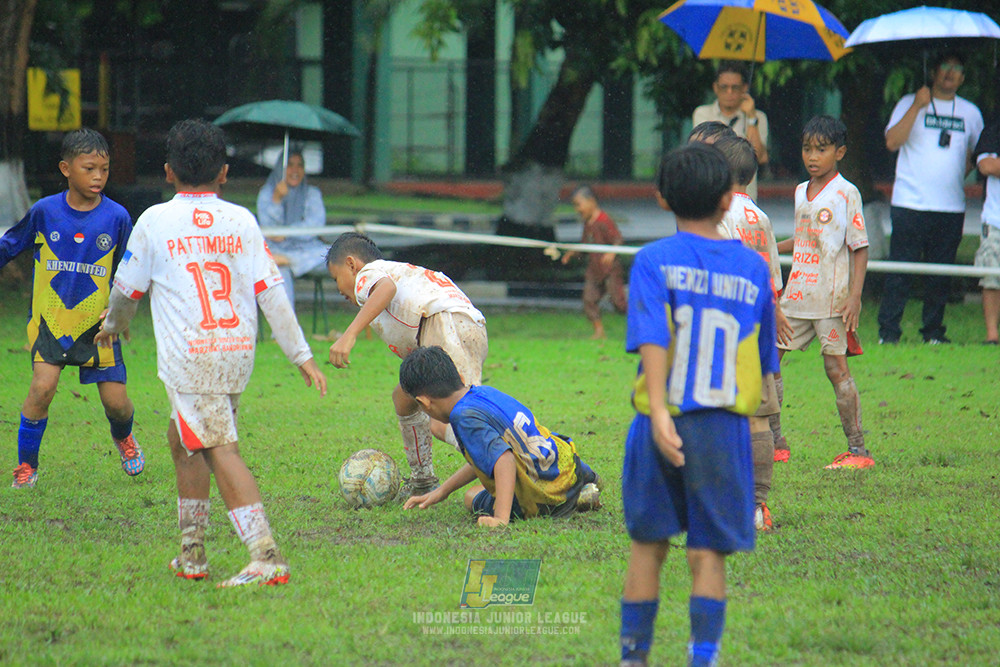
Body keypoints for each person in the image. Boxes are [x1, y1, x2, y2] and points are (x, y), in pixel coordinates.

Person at [95, 119, 327, 587]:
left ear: (167, 171)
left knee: (220, 448)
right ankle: (192, 552)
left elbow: (126, 291)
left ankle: (265, 554)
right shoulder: (241, 219)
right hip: (236, 353)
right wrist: (299, 353)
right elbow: (271, 290)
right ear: (224, 173)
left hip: (191, 356)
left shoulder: (156, 221)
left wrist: (112, 328)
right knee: (183, 441)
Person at [619, 143, 778, 667]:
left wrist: (662, 413)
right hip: (721, 429)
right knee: (708, 551)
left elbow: (652, 339)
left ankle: (633, 658)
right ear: (730, 200)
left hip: (658, 421)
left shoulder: (651, 261)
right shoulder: (753, 270)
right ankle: (702, 658)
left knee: (649, 547)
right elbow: (763, 360)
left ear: (662, 198)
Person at [0, 128, 144, 489]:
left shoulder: (117, 218)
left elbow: (132, 268)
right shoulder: (44, 212)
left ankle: (124, 438)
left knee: (117, 404)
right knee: (42, 388)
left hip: (99, 327)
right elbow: (10, 244)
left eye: (105, 169)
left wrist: (123, 310)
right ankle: (26, 466)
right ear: (66, 168)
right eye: (89, 168)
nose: (98, 177)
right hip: (51, 321)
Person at [326, 232, 488, 498]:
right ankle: (423, 479)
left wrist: (349, 334)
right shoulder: (396, 276)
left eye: (336, 278)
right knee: (405, 396)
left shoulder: (370, 273)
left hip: (446, 326)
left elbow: (386, 288)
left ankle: (513, 462)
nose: (338, 288)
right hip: (455, 327)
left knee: (456, 419)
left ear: (352, 264)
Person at [399, 346, 601, 525]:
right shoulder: (482, 393)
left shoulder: (462, 417)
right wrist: (441, 491)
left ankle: (564, 502)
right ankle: (586, 485)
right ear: (460, 377)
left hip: (546, 495)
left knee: (472, 496)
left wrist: (500, 518)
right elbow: (484, 458)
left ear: (424, 402)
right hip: (569, 469)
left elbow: (503, 459)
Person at [776, 116, 871, 470]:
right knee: (768, 358)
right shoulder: (801, 190)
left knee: (836, 369)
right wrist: (768, 247)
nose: (812, 156)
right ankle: (774, 440)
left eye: (821, 149)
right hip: (796, 295)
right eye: (806, 148)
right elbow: (803, 240)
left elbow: (859, 247)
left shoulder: (847, 193)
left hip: (831, 300)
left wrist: (854, 296)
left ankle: (858, 450)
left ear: (840, 152)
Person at [877, 51, 984, 345]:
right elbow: (892, 141)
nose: (951, 73)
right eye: (946, 67)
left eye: (957, 68)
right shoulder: (910, 102)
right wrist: (916, 106)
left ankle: (933, 332)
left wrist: (955, 173)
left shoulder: (970, 113)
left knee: (940, 274)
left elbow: (977, 156)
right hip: (909, 203)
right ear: (934, 71)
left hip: (950, 205)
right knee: (900, 271)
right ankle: (889, 332)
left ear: (963, 77)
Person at [713, 134, 791, 528]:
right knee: (759, 419)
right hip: (760, 326)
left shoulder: (720, 215)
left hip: (728, 326)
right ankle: (759, 506)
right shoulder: (760, 217)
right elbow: (774, 278)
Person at [255, 148, 329, 309]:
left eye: (300, 165)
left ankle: (289, 260)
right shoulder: (267, 194)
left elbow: (314, 226)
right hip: (276, 251)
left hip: (306, 248)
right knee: (279, 270)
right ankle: (285, 329)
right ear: (280, 169)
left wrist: (287, 233)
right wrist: (276, 199)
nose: (295, 170)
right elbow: (271, 231)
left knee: (333, 253)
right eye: (290, 165)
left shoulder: (312, 193)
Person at [691, 61, 769, 200]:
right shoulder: (702, 114)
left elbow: (759, 157)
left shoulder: (758, 117)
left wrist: (751, 118)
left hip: (744, 198)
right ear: (715, 87)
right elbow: (703, 153)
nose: (729, 92)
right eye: (724, 87)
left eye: (735, 87)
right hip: (710, 195)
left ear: (745, 88)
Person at [560, 185, 627, 339]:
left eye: (579, 204)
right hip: (594, 269)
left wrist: (612, 252)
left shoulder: (604, 220)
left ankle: (639, 325)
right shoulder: (587, 224)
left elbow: (617, 239)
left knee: (618, 302)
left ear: (591, 201)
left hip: (610, 269)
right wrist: (572, 253)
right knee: (589, 299)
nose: (577, 209)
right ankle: (599, 331)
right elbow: (585, 245)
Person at [974, 121, 1000, 344]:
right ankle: (992, 335)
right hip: (995, 220)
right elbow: (987, 166)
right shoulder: (995, 129)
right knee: (991, 278)